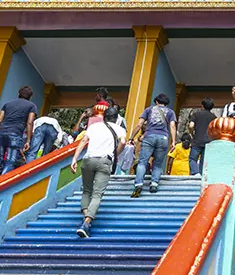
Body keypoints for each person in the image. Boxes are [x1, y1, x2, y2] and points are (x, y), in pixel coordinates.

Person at [70, 107, 126, 238]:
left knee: (86, 191)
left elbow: (83, 140)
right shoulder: (119, 128)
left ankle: (86, 218)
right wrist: (115, 154)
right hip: (104, 161)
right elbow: (123, 141)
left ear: (104, 117)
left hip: (88, 160)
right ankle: (86, 223)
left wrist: (74, 158)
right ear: (116, 119)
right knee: (97, 194)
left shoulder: (94, 126)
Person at [129, 93, 177, 197]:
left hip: (149, 136)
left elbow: (139, 124)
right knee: (158, 163)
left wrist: (131, 137)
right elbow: (172, 126)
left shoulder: (149, 110)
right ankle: (154, 184)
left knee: (142, 162)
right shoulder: (170, 112)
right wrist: (173, 141)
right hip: (163, 138)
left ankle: (138, 184)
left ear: (156, 101)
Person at [0, 86, 38, 177]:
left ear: (18, 94)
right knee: (10, 161)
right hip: (15, 134)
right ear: (30, 97)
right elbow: (30, 122)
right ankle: (2, 180)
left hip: (1, 133)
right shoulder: (32, 106)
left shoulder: (7, 104)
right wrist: (28, 140)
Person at [188, 98, 217, 175]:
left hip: (197, 140)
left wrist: (192, 133)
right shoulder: (214, 117)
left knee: (192, 159)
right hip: (209, 142)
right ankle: (201, 176)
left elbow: (191, 126)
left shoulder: (196, 114)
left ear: (202, 105)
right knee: (203, 161)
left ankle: (195, 172)